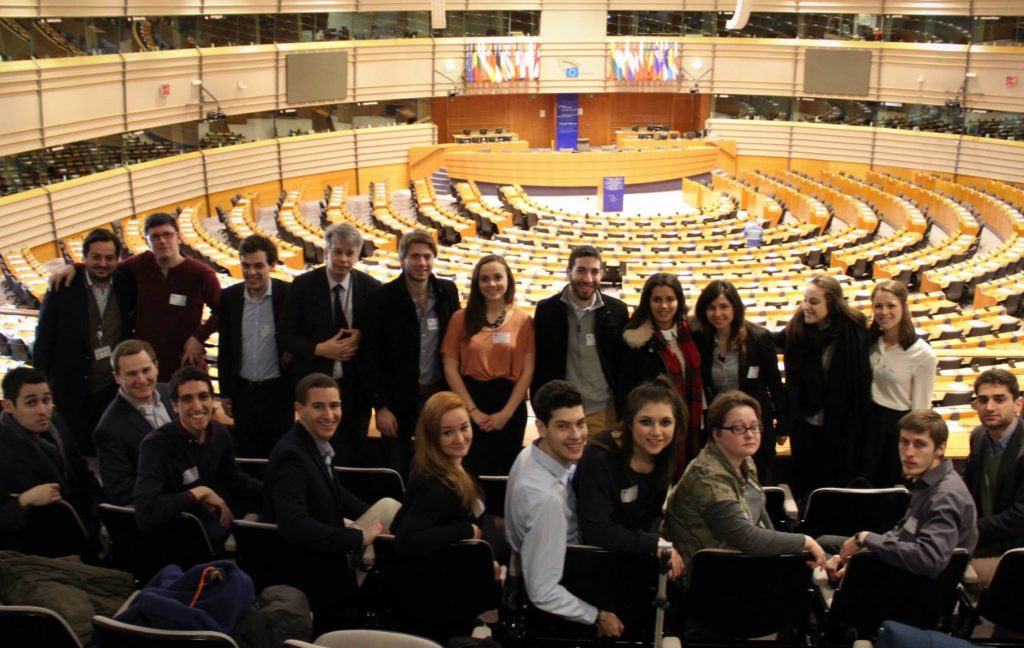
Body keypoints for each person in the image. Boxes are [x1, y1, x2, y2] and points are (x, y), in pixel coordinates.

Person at [664, 390, 824, 589]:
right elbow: (746, 538)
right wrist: (805, 541)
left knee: (813, 558)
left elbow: (760, 516)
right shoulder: (707, 477)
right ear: (717, 434)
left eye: (754, 427)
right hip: (712, 578)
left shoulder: (744, 460)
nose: (750, 434)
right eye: (738, 428)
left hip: (740, 561)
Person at [505, 380, 624, 638]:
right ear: (541, 427)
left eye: (580, 423)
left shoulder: (532, 453)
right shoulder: (546, 502)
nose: (577, 435)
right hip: (568, 585)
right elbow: (543, 591)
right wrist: (596, 616)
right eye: (563, 426)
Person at [51, 212, 221, 382]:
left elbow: (223, 311)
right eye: (154, 236)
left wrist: (198, 338)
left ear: (179, 237)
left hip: (183, 363)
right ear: (147, 241)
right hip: (144, 369)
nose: (162, 241)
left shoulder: (201, 274)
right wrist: (76, 267)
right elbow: (107, 267)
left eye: (167, 235)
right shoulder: (141, 263)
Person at [822, 410, 977, 580]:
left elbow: (930, 559)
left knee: (816, 557)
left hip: (917, 585)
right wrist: (859, 555)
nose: (909, 452)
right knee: (823, 544)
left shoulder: (945, 496)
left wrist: (866, 539)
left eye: (919, 444)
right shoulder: (927, 481)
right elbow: (904, 531)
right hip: (906, 565)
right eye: (904, 442)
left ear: (940, 449)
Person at [264, 373, 399, 558]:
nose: (329, 415)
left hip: (329, 540)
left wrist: (370, 514)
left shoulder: (312, 442)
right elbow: (295, 526)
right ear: (299, 409)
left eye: (334, 406)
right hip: (315, 559)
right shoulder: (291, 455)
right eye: (318, 407)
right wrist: (359, 537)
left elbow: (334, 492)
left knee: (390, 508)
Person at [279, 223, 381, 467]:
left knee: (355, 455)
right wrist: (319, 349)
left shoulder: (372, 289)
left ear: (358, 255)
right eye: (337, 251)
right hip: (315, 388)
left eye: (350, 253)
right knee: (315, 455)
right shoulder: (302, 286)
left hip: (356, 391)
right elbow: (284, 336)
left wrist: (362, 336)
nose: (343, 259)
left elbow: (381, 340)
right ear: (325, 252)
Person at [363, 230, 461, 476]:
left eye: (427, 257)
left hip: (436, 397)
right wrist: (381, 407)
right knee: (399, 468)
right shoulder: (380, 299)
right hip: (397, 402)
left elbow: (457, 343)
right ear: (402, 259)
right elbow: (371, 357)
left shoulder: (447, 292)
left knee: (439, 468)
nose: (422, 263)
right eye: (415, 257)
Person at [133, 367, 262, 552]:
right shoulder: (155, 446)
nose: (197, 406)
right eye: (187, 399)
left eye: (203, 396)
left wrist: (274, 490)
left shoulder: (219, 433)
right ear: (174, 406)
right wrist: (198, 493)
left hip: (217, 512)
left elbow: (235, 479)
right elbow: (145, 513)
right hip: (185, 529)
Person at [33, 228, 136, 454]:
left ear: (117, 260)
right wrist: (41, 385)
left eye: (109, 258)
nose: (103, 263)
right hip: (71, 386)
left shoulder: (126, 285)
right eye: (95, 257)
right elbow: (44, 340)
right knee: (75, 448)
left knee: (108, 444)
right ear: (84, 258)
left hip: (110, 387)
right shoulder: (62, 287)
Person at [572, 377, 684, 580]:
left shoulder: (664, 453)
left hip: (633, 556)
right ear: (630, 422)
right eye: (646, 422)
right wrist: (652, 543)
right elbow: (596, 530)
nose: (657, 432)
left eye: (665, 422)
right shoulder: (598, 457)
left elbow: (650, 517)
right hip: (593, 561)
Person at [779, 273, 871, 497]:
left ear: (832, 303)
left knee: (835, 489)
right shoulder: (796, 329)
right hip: (805, 425)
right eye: (804, 300)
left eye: (813, 301)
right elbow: (768, 341)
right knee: (805, 483)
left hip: (841, 427)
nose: (806, 307)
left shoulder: (854, 332)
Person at [442, 254, 534, 476]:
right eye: (484, 279)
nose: (491, 284)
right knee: (469, 471)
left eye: (497, 277)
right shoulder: (460, 318)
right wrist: (472, 411)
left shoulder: (523, 320)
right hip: (470, 401)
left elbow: (527, 370)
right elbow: (450, 368)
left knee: (505, 471)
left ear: (508, 281)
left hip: (509, 405)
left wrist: (506, 413)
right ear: (477, 283)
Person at [692, 279, 787, 484]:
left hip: (754, 425)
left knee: (757, 481)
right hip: (720, 426)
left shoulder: (759, 338)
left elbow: (775, 384)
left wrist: (783, 426)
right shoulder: (701, 340)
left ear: (735, 307)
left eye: (724, 306)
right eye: (711, 308)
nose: (718, 314)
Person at [392, 391, 503, 559]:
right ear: (432, 437)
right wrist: (465, 530)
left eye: (464, 428)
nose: (459, 439)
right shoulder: (433, 486)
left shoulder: (463, 467)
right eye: (447, 432)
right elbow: (406, 539)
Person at [532, 245, 629, 432]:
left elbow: (622, 365)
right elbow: (540, 364)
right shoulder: (547, 310)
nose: (588, 279)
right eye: (581, 271)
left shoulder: (617, 311)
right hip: (561, 412)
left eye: (594, 272)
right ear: (568, 272)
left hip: (604, 412)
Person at [0, 367, 102, 545]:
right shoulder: (4, 446)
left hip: (81, 528)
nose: (43, 410)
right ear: (8, 406)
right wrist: (23, 500)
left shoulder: (56, 422)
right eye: (31, 403)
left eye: (46, 400)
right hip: (38, 545)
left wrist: (101, 518)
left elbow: (81, 472)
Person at [217, 234, 293, 457]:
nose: (251, 272)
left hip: (278, 392)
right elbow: (226, 348)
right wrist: (226, 392)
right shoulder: (229, 297)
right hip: (244, 393)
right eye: (246, 265)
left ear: (272, 265)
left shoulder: (288, 295)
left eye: (258, 266)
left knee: (281, 455)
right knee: (248, 456)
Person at [619, 272, 703, 470]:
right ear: (647, 301)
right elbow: (625, 387)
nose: (664, 306)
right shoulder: (633, 339)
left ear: (679, 301)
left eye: (670, 299)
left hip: (693, 420)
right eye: (657, 299)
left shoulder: (694, 332)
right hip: (654, 426)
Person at [862, 279, 937, 487]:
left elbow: (921, 410)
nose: (884, 312)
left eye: (891, 305)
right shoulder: (871, 342)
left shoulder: (923, 354)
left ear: (904, 307)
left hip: (895, 430)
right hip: (867, 423)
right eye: (878, 306)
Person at [93, 339, 174, 505]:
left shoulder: (171, 393)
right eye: (131, 374)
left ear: (156, 367)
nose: (141, 379)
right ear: (117, 377)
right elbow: (121, 491)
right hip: (165, 508)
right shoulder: (108, 430)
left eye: (146, 370)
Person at [964, 369, 1024, 587]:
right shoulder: (978, 437)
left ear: (1018, 404)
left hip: (1015, 546)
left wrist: (970, 530)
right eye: (983, 400)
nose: (989, 407)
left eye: (999, 399)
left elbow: (1019, 518)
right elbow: (969, 490)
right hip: (985, 535)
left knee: (946, 570)